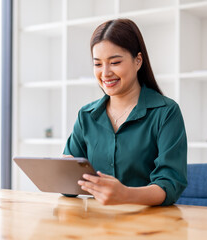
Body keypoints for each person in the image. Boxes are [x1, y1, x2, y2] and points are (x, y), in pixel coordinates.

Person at [63, 18, 187, 206]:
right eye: (98, 64)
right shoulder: (86, 115)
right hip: (96, 225)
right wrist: (62, 174)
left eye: (114, 62)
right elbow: (70, 185)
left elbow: (170, 184)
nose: (105, 73)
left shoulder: (166, 112)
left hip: (150, 226)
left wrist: (126, 195)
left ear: (138, 61)